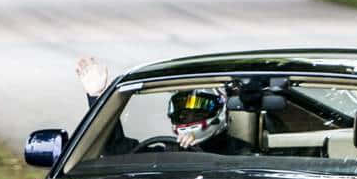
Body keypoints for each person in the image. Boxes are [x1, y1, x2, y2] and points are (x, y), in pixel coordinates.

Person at [75, 57, 250, 154]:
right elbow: (116, 150)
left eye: (197, 112)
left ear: (220, 110)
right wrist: (97, 96)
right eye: (182, 113)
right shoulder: (170, 153)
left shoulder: (242, 153)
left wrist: (201, 148)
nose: (188, 118)